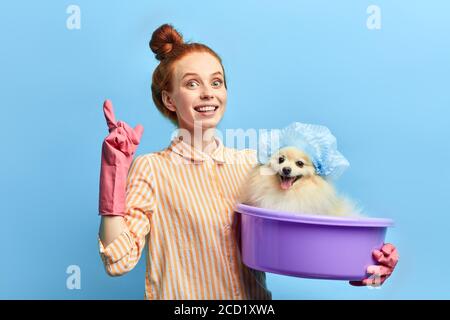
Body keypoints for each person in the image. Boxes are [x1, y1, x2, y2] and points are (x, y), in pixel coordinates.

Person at [97, 23, 399, 300]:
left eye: (216, 82)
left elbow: (302, 241)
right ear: (169, 100)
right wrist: (113, 177)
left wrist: (364, 264)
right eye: (191, 84)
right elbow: (118, 260)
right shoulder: (153, 169)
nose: (207, 94)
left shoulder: (252, 167)